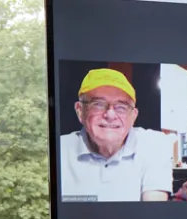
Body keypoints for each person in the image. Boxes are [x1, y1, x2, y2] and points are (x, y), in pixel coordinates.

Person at [58, 68, 172, 202]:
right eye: (98, 104)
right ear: (80, 111)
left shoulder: (154, 144)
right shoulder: (58, 150)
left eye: (121, 107)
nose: (110, 115)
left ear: (133, 116)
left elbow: (153, 215)